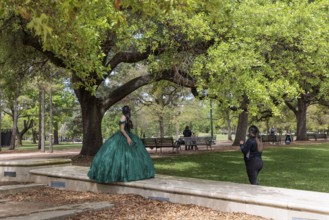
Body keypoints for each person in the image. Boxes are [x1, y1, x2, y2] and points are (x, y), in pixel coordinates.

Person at [87, 106, 155, 183]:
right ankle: (119, 174)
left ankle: (137, 173)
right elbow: (122, 129)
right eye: (129, 110)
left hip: (128, 134)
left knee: (135, 154)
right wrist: (128, 138)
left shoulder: (126, 117)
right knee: (119, 155)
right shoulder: (123, 117)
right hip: (124, 136)